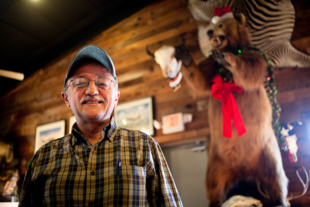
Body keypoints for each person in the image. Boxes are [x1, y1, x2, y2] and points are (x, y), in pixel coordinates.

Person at [18, 45, 183, 207]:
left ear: (116, 98)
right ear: (66, 98)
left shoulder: (145, 147)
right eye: (80, 83)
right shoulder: (42, 159)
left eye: (103, 83)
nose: (91, 90)